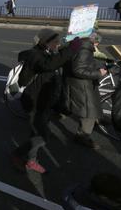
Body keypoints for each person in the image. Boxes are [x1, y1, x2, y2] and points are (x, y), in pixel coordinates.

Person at [12, 29, 75, 173]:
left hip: (45, 101)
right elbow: (49, 65)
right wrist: (71, 49)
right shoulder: (35, 55)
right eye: (55, 42)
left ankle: (31, 160)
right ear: (45, 42)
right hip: (34, 102)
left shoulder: (48, 53)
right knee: (43, 136)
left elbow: (55, 65)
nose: (58, 45)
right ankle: (17, 154)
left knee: (36, 133)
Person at [64, 33, 107, 149]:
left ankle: (91, 125)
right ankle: (82, 136)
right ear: (95, 42)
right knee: (88, 112)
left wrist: (100, 65)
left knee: (87, 109)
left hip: (79, 84)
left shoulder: (80, 46)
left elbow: (86, 62)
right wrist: (99, 73)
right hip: (82, 85)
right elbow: (78, 70)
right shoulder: (84, 50)